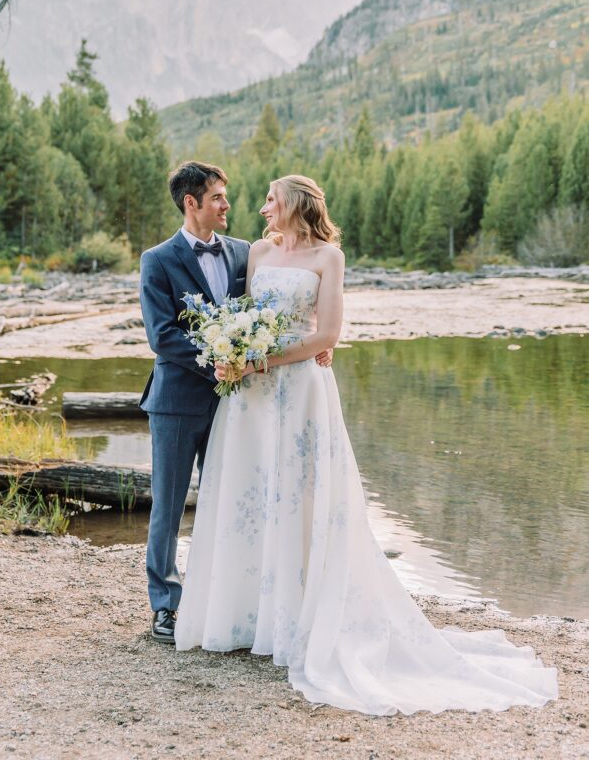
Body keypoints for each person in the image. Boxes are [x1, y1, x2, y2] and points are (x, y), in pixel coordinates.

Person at [174, 174, 558, 715]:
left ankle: (298, 619)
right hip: (252, 398)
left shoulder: (330, 257)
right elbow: (242, 317)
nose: (261, 209)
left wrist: (263, 358)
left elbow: (326, 335)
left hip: (302, 390)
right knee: (252, 497)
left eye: (271, 200)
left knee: (303, 499)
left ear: (296, 205)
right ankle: (249, 616)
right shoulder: (257, 252)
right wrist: (235, 353)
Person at [139, 161, 332, 645]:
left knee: (236, 500)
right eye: (219, 198)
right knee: (168, 505)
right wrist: (219, 362)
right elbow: (162, 337)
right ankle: (165, 604)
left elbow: (266, 314)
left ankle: (230, 601)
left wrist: (315, 339)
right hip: (180, 400)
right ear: (192, 203)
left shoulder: (248, 252)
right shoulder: (157, 260)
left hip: (247, 403)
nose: (228, 205)